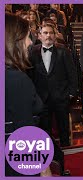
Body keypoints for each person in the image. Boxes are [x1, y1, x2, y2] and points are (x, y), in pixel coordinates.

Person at [5, 13, 43, 177]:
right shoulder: (17, 79)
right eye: (28, 37)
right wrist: (44, 170)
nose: (30, 42)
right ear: (13, 41)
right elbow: (26, 135)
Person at [29, 23, 77, 147]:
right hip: (41, 98)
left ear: (55, 35)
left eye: (51, 33)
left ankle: (66, 153)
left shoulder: (63, 50)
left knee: (64, 129)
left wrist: (71, 93)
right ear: (39, 36)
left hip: (61, 97)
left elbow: (72, 73)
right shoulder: (32, 52)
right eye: (45, 33)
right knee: (45, 131)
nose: (48, 35)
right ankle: (50, 158)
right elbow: (30, 74)